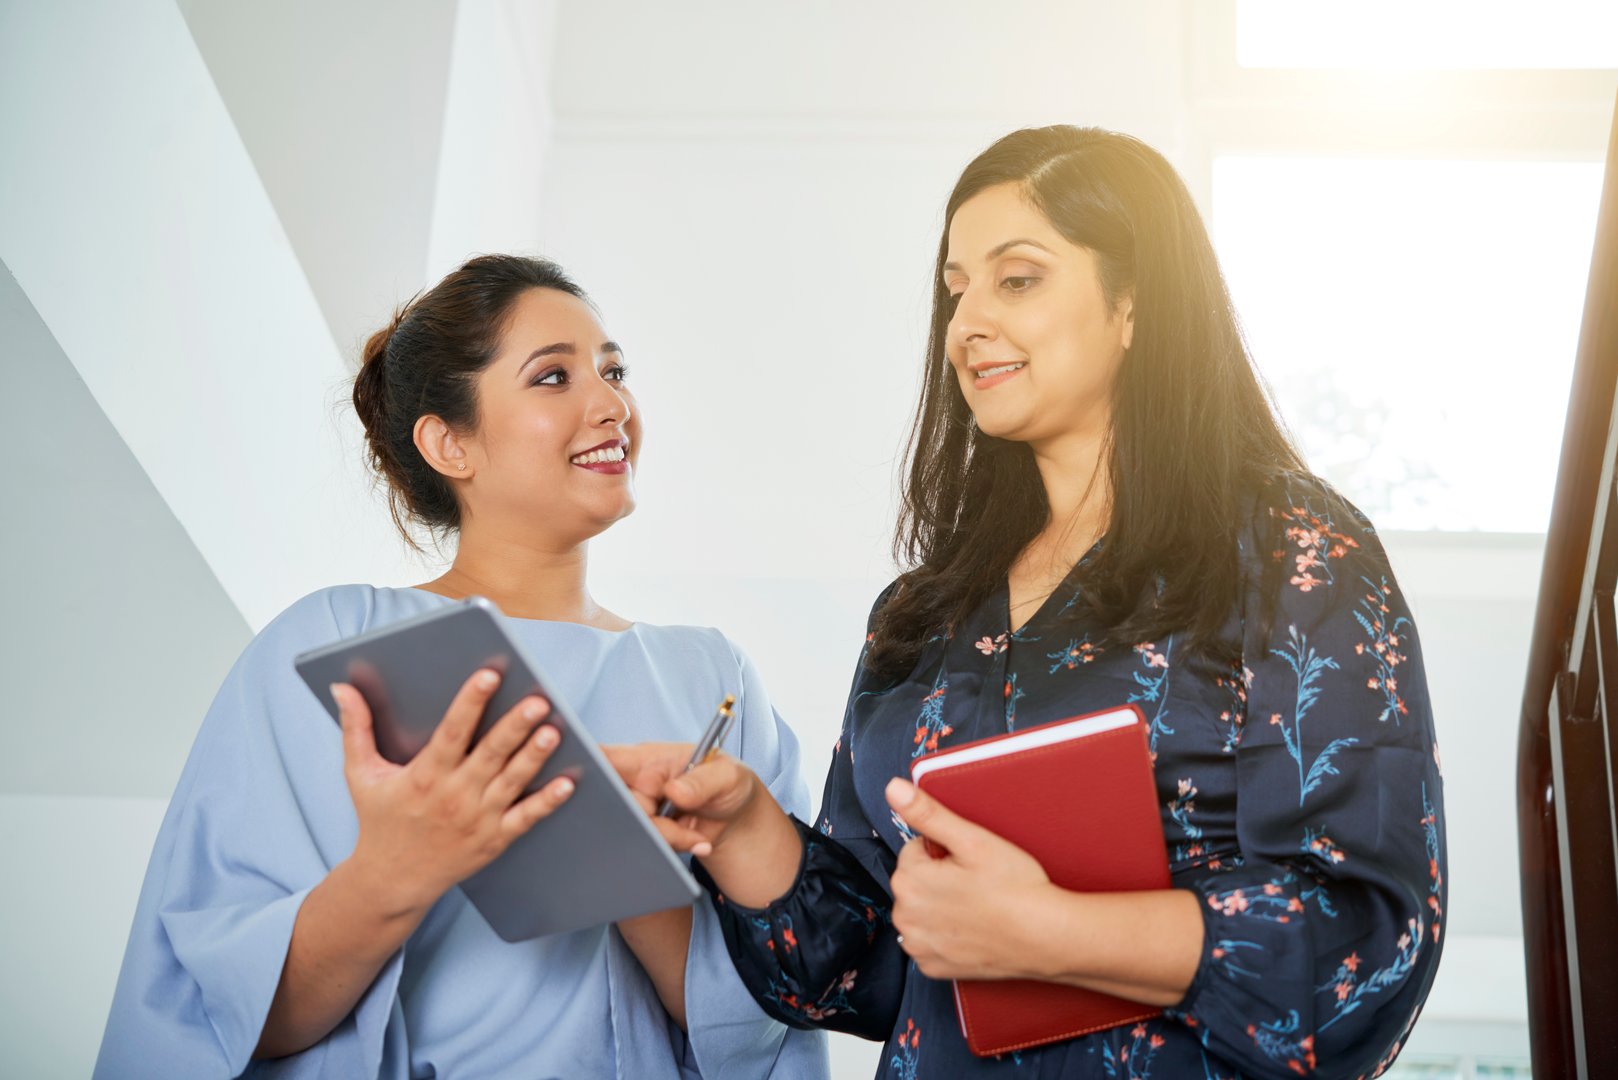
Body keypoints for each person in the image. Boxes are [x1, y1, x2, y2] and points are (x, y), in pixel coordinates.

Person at [611, 127, 1447, 1078]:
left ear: (1132, 302)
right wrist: (743, 830)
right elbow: (869, 971)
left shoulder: (1291, 548)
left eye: (1017, 279)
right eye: (956, 289)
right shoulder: (918, 616)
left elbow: (1369, 949)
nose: (966, 324)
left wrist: (1056, 933)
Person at [95, 255, 828, 1079]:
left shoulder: (709, 672)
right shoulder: (340, 642)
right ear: (450, 443)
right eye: (553, 376)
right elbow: (223, 1013)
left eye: (615, 371)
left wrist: (623, 873)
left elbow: (772, 1024)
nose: (613, 405)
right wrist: (402, 867)